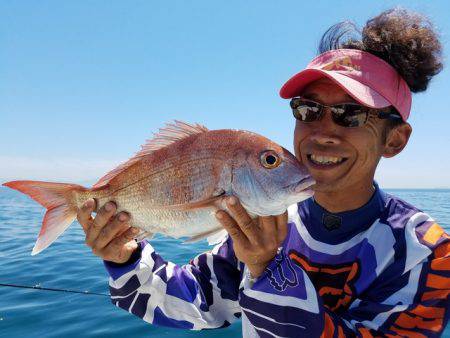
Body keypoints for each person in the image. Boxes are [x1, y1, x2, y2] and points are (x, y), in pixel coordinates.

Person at [77, 8, 449, 337]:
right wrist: (125, 258)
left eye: (350, 114)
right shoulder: (264, 219)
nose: (322, 132)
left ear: (395, 140)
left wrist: (267, 270)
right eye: (307, 110)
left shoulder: (426, 254)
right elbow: (194, 302)